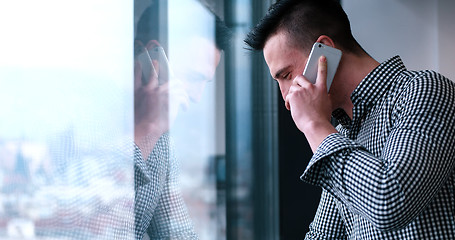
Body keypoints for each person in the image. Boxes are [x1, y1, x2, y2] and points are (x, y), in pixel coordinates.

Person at [244, 0, 455, 239]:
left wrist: (314, 125)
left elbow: (391, 201)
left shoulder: (426, 90)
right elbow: (322, 235)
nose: (286, 98)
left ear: (323, 52)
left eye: (286, 75)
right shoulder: (343, 134)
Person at [133, 2, 230, 240]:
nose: (197, 97)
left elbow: (175, 232)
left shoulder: (163, 145)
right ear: (153, 58)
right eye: (192, 77)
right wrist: (147, 131)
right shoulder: (88, 125)